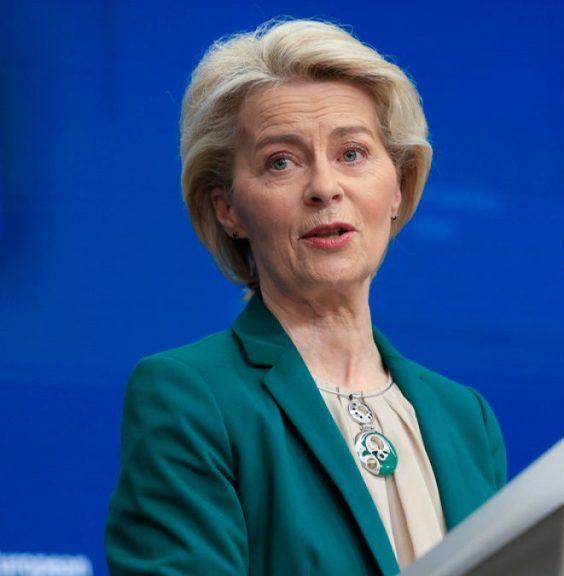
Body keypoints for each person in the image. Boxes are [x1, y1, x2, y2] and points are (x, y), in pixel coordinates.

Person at [105, 18, 507, 575]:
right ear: (228, 209)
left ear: (398, 185)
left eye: (352, 153)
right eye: (281, 162)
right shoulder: (192, 397)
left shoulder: (465, 418)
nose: (324, 187)